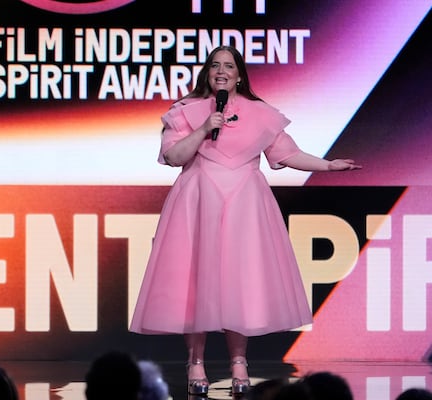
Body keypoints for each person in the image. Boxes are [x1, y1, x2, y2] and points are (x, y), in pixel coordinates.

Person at [128, 45, 361, 396]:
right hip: (197, 200)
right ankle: (196, 362)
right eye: (215, 65)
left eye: (229, 66)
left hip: (244, 203)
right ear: (208, 72)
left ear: (239, 75)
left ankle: (239, 362)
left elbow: (286, 153)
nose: (222, 70)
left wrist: (327, 165)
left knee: (239, 280)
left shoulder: (261, 113)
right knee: (197, 282)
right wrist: (205, 126)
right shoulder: (186, 111)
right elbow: (174, 155)